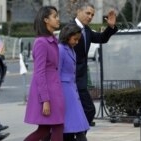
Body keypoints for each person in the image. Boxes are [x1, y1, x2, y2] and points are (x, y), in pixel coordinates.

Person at [73, 2, 118, 127]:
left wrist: (110, 27)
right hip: (70, 78)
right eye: (88, 13)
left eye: (92, 15)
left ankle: (76, 135)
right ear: (78, 12)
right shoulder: (69, 28)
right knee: (89, 110)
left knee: (86, 111)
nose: (90, 17)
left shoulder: (86, 30)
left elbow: (101, 38)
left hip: (80, 78)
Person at [24, 6, 65, 141]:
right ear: (46, 20)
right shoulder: (41, 42)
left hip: (54, 89)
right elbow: (39, 73)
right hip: (46, 92)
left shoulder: (53, 40)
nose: (58, 19)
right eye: (55, 16)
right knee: (53, 128)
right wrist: (45, 100)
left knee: (48, 129)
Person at [58, 23, 89, 141]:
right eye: (75, 39)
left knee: (75, 126)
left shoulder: (71, 50)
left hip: (71, 91)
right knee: (74, 126)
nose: (77, 42)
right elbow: (56, 73)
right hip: (64, 92)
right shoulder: (60, 49)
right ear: (67, 36)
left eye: (78, 39)